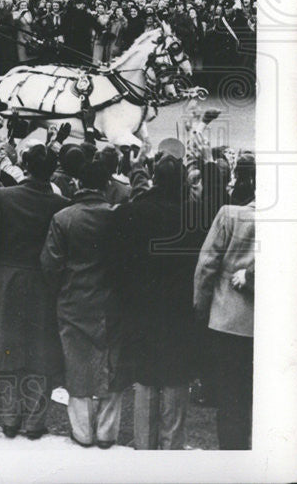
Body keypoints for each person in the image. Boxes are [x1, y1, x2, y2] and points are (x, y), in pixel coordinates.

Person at [0, 142, 68, 439]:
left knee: (7, 347)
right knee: (40, 350)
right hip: (42, 281)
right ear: (51, 170)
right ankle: (34, 421)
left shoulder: (3, 196)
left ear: (25, 166)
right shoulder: (60, 204)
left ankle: (10, 418)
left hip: (7, 279)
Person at [116, 154, 202, 450]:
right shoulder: (194, 216)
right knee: (176, 375)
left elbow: (123, 262)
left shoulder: (134, 212)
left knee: (146, 374)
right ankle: (171, 444)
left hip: (143, 304)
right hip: (179, 306)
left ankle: (144, 443)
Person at [41, 160, 126, 449]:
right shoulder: (116, 216)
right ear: (105, 184)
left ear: (78, 183)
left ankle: (82, 432)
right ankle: (106, 431)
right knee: (111, 364)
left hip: (73, 300)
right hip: (110, 301)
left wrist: (61, 290)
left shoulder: (63, 218)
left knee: (77, 365)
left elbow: (50, 264)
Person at [193, 153, 255, 449]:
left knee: (231, 400)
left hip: (226, 319)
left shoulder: (230, 215)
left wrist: (200, 308)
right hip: (264, 323)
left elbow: (206, 267)